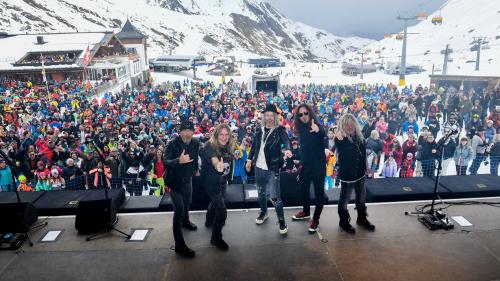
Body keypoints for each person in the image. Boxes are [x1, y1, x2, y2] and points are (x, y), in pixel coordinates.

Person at [245, 104, 291, 235]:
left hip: (273, 168)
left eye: (272, 115)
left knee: (275, 197)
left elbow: (286, 142)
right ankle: (264, 212)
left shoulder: (280, 130)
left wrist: (288, 150)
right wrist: (249, 160)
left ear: (275, 117)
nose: (269, 118)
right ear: (264, 117)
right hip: (258, 167)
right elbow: (254, 146)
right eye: (267, 115)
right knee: (261, 193)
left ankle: (281, 220)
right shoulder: (259, 130)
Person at [164, 120, 200, 258]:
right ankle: (179, 245)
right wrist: (178, 161)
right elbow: (166, 161)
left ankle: (185, 221)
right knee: (178, 210)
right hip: (174, 181)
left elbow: (195, 157)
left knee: (188, 202)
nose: (187, 133)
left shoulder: (195, 143)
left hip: (187, 179)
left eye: (190, 130)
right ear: (180, 132)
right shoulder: (172, 144)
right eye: (184, 130)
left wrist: (195, 169)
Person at [335, 113, 375, 234]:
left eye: (352, 124)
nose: (350, 127)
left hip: (361, 174)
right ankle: (343, 221)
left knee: (361, 199)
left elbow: (363, 155)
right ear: (343, 126)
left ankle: (361, 219)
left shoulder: (360, 137)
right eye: (347, 125)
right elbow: (337, 141)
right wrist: (338, 135)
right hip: (347, 176)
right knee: (344, 201)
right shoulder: (340, 138)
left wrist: (367, 167)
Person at [291, 104, 326, 233]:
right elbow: (305, 149)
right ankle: (306, 212)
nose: (304, 116)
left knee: (319, 193)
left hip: (318, 166)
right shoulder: (300, 129)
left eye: (306, 113)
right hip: (305, 165)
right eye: (300, 114)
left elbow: (323, 132)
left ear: (310, 113)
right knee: (303, 189)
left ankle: (315, 219)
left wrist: (318, 130)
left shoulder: (315, 125)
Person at [200, 123, 233, 251]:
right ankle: (216, 238)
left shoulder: (225, 146)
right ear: (216, 135)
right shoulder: (209, 146)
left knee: (215, 204)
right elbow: (214, 159)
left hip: (222, 181)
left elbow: (228, 158)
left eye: (226, 135)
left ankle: (209, 221)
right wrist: (217, 165)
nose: (224, 137)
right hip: (211, 183)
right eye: (221, 134)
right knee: (222, 212)